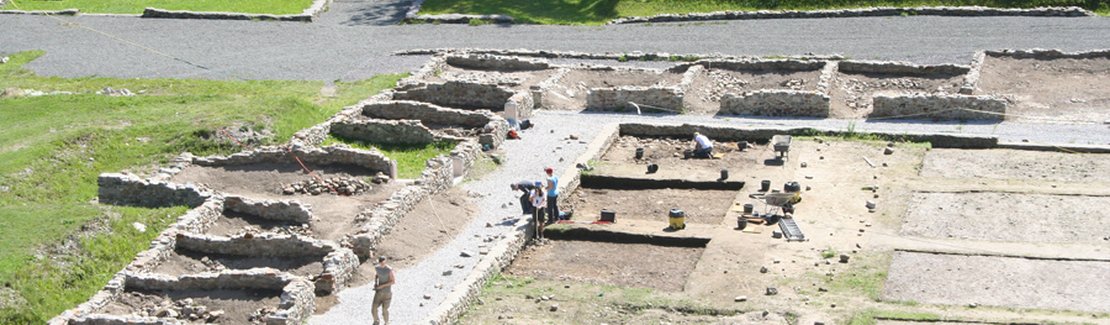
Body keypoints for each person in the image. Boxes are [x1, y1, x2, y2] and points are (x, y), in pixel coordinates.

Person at [372, 255, 395, 325]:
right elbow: (377, 275)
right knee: (374, 308)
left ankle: (386, 322)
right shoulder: (377, 268)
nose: (382, 263)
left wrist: (381, 286)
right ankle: (376, 321)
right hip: (379, 292)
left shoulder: (389, 270)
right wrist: (376, 283)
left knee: (385, 310)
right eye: (381, 262)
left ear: (385, 261)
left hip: (387, 292)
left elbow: (393, 281)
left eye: (383, 262)